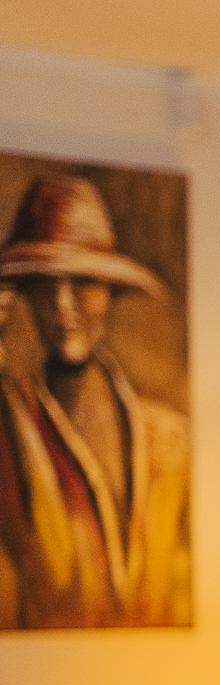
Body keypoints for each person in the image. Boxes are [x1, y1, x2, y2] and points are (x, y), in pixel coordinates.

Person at [0, 175, 191, 629]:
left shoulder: (168, 442)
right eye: (45, 286)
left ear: (108, 291)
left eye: (83, 283)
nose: (62, 306)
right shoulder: (8, 437)